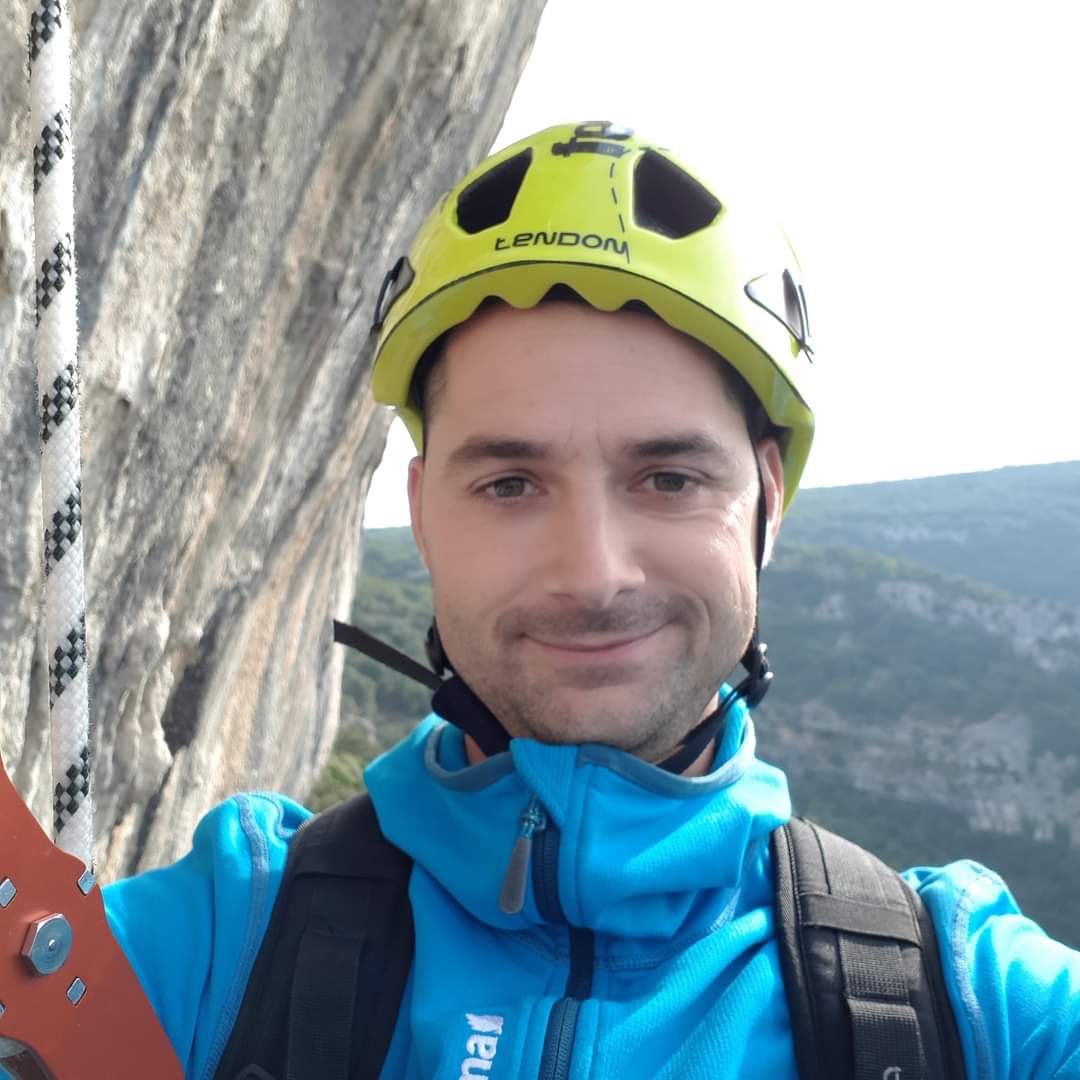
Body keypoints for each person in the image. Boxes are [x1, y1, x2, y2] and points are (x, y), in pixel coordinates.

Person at [96, 122, 1080, 1078]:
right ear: (425, 515)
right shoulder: (218, 948)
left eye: (668, 479)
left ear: (766, 504)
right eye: (511, 484)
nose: (594, 572)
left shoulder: (959, 1003)